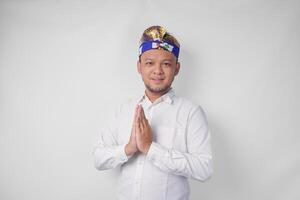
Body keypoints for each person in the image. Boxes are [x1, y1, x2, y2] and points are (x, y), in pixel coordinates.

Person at [92, 25, 213, 200]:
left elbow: (204, 169)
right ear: (139, 67)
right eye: (149, 63)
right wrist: (129, 148)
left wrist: (151, 148)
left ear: (177, 69)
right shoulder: (123, 110)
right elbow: (98, 158)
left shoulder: (191, 112)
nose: (157, 71)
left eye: (166, 64)